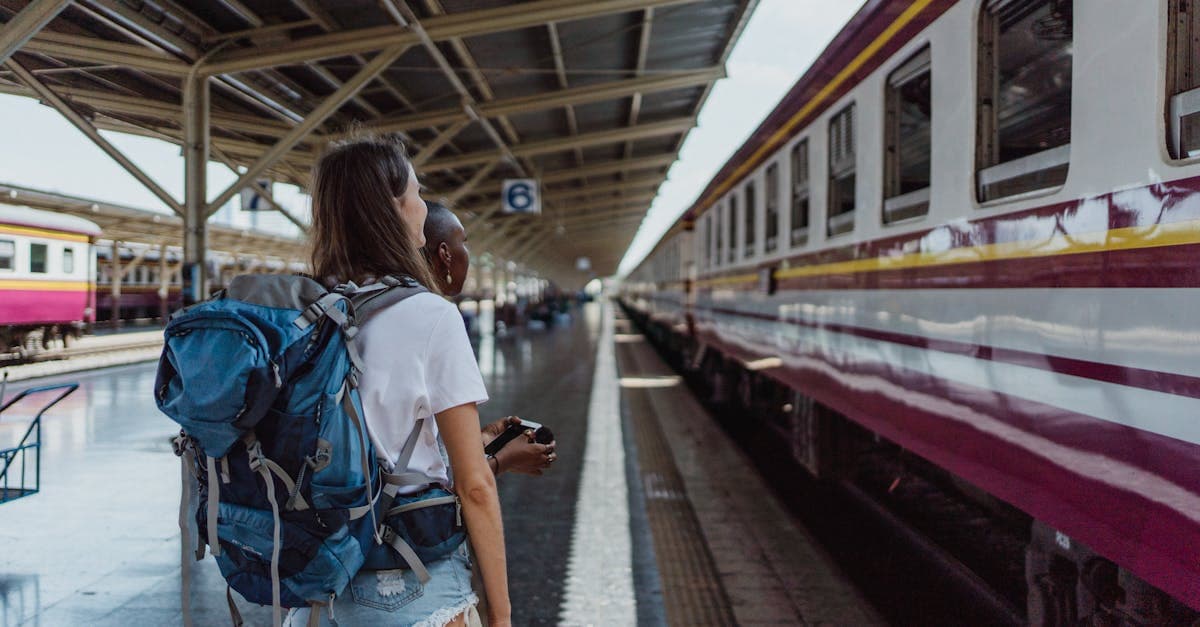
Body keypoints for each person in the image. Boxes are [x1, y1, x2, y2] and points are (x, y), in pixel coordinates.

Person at [287, 135, 509, 627]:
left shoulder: (300, 314)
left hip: (312, 592)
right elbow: (474, 486)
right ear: (391, 209)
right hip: (412, 586)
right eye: (417, 193)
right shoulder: (430, 316)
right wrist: (502, 614)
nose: (423, 206)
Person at [423, 201, 558, 476]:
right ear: (444, 253)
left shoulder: (366, 307)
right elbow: (468, 481)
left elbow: (407, 438)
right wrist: (504, 459)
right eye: (464, 242)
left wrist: (484, 439)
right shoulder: (438, 317)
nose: (468, 253)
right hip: (410, 513)